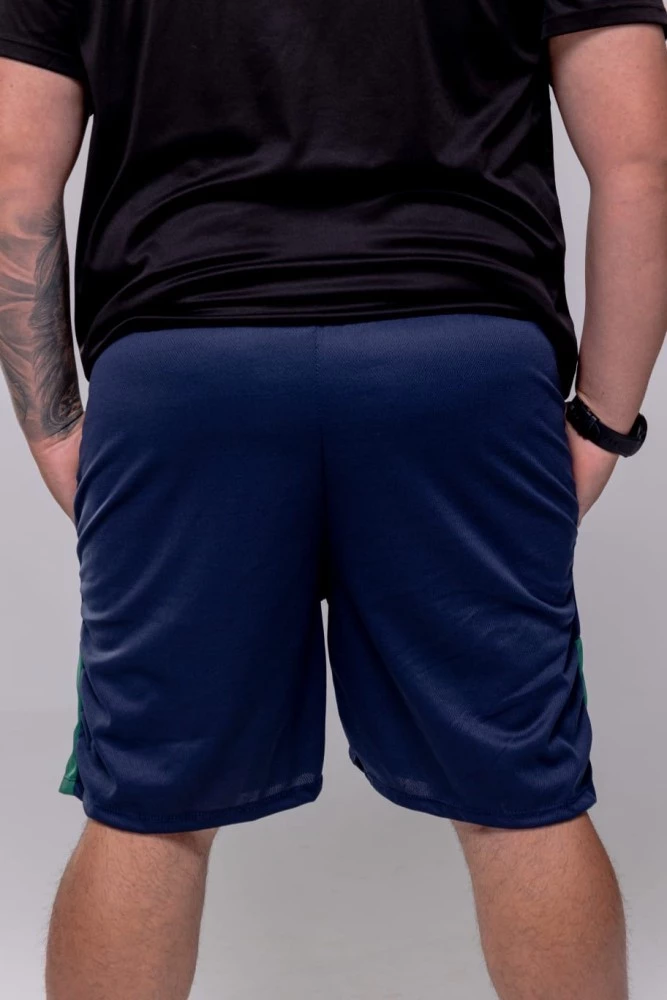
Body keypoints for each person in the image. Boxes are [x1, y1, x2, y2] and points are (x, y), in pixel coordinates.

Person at [0, 0, 666, 996]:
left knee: (148, 800)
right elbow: (640, 161)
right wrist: (605, 421)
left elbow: (15, 176)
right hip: (454, 367)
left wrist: (53, 423)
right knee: (517, 792)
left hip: (187, 370)